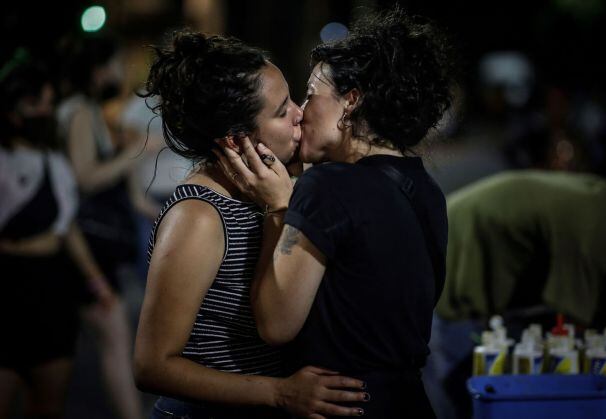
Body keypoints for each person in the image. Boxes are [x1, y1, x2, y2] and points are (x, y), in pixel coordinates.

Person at [216, 8, 456, 418]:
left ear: (351, 101)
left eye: (311, 94)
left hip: (341, 405)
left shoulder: (327, 187)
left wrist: (278, 208)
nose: (301, 111)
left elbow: (276, 324)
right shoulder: (425, 189)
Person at [133, 31, 367, 419]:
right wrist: (280, 393)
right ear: (234, 140)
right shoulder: (198, 217)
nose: (300, 113)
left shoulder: (270, 189)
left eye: (293, 98)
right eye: (281, 111)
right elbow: (152, 365)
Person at [423, 169, 606, 419]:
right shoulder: (595, 229)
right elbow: (575, 317)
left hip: (466, 234)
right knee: (456, 387)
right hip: (451, 251)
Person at [0, 55, 114, 419]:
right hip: (6, 288)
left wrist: (96, 282)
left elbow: (67, 231)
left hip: (50, 289)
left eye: (49, 103)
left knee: (49, 404)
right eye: (35, 104)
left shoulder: (56, 164)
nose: (44, 112)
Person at [56, 35, 144, 419]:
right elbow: (86, 177)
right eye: (116, 64)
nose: (121, 72)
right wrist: (135, 153)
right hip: (83, 245)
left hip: (85, 244)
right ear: (97, 71)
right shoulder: (78, 112)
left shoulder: (88, 109)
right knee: (114, 341)